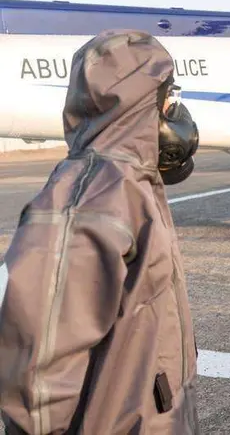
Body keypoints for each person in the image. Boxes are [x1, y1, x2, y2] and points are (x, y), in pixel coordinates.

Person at [0, 30, 201, 434]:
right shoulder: (92, 194)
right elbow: (37, 368)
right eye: (169, 97)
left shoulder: (132, 180)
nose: (174, 110)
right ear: (144, 102)